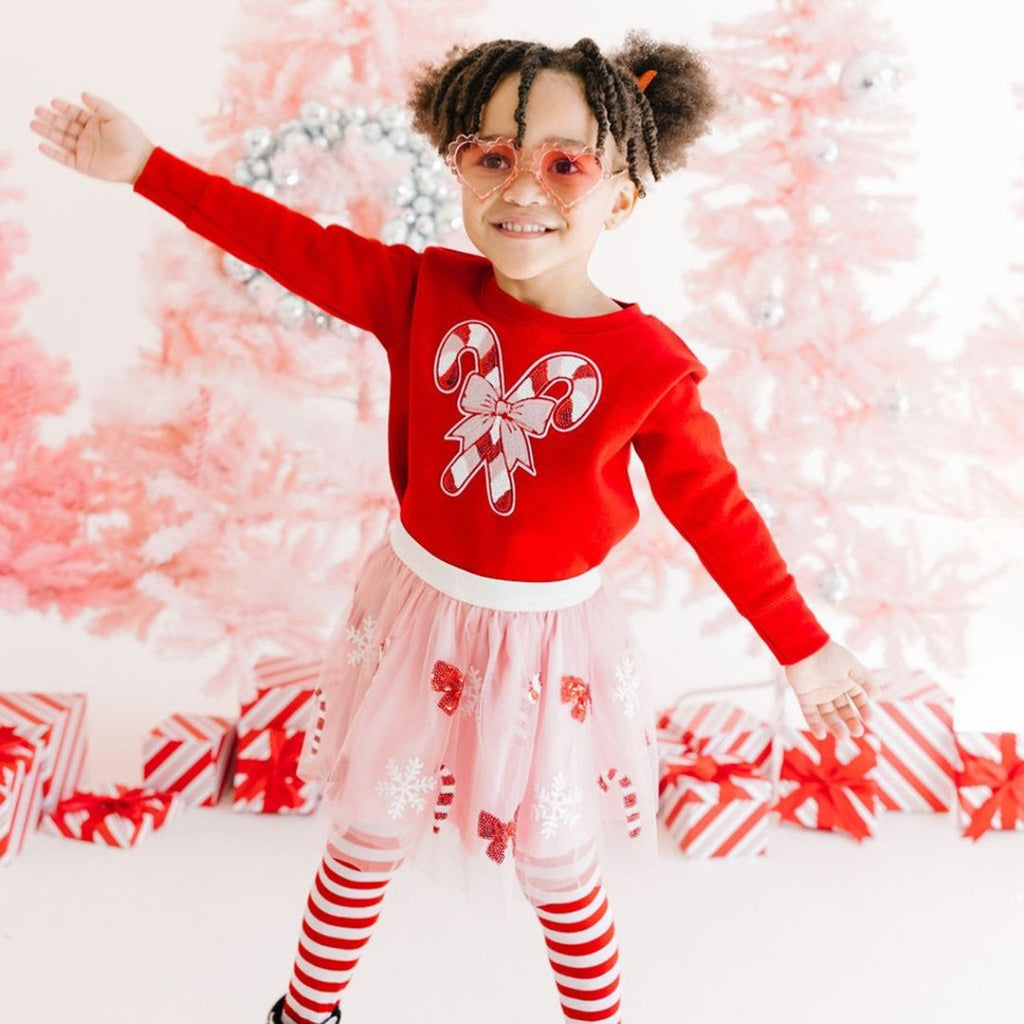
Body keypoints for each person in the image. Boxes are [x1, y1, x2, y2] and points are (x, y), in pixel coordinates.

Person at [30, 30, 881, 1024]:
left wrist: (804, 651)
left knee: (555, 857)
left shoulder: (648, 365)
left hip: (545, 644)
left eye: (565, 164)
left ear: (623, 196)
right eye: (493, 157)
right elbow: (287, 245)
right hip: (419, 618)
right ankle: (306, 1010)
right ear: (462, 167)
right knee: (367, 828)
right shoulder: (422, 291)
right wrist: (146, 168)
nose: (523, 188)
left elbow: (715, 510)